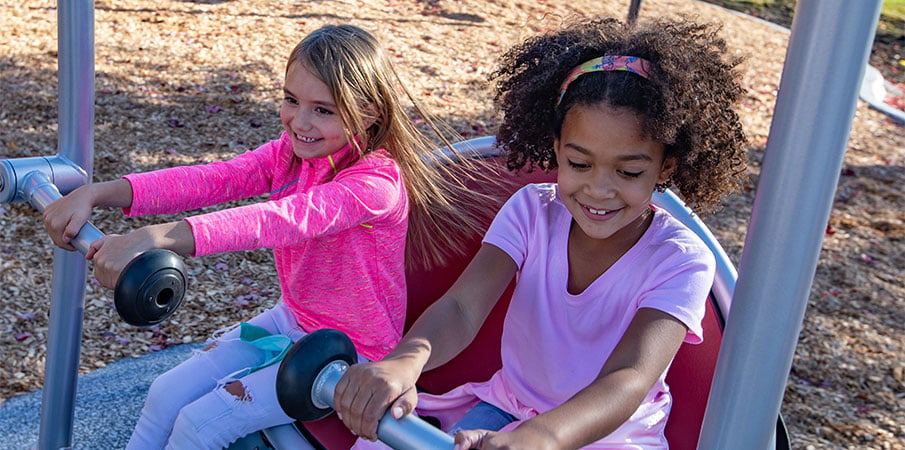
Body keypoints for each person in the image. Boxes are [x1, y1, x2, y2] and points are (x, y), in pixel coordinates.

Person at [42, 24, 495, 449]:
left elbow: (279, 219)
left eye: (323, 110)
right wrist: (98, 192)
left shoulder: (374, 185)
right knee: (164, 392)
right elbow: (215, 178)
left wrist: (155, 238)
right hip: (294, 317)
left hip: (352, 349)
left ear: (370, 111)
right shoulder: (294, 153)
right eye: (290, 100)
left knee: (199, 425)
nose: (299, 121)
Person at [334, 15, 749, 449]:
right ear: (557, 151)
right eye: (579, 164)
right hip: (511, 411)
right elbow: (461, 308)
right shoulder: (533, 211)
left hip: (613, 438)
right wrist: (404, 362)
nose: (599, 189)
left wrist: (543, 437)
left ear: (666, 166)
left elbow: (629, 378)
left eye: (628, 171)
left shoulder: (679, 259)